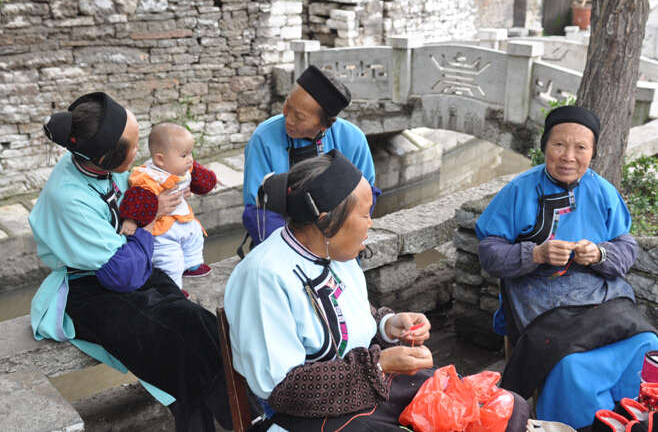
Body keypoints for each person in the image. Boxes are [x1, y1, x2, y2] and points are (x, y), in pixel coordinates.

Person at [225, 150, 531, 432]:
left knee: (502, 409)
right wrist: (380, 365)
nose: (371, 223)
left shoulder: (333, 252)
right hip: (311, 416)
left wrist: (387, 325)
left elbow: (344, 319)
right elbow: (283, 391)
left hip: (368, 387)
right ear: (326, 222)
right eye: (365, 214)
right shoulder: (264, 278)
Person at [30, 92, 234, 431]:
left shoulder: (94, 163)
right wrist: (151, 221)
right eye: (134, 146)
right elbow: (121, 276)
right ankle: (245, 417)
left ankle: (239, 414)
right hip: (91, 286)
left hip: (130, 261)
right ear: (107, 158)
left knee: (200, 325)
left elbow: (143, 191)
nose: (139, 153)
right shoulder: (69, 197)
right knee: (176, 335)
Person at [475, 105, 658, 430]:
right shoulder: (520, 190)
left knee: (648, 345)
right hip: (542, 300)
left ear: (593, 152)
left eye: (581, 148)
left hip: (604, 299)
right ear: (545, 145)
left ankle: (632, 419)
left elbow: (627, 248)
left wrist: (600, 254)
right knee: (569, 365)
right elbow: (489, 254)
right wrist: (536, 255)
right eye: (559, 144)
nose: (568, 156)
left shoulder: (603, 191)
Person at [241, 64, 379, 247]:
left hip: (338, 244)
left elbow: (366, 198)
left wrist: (335, 243)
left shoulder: (353, 139)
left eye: (300, 117)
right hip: (280, 245)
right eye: (288, 105)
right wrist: (295, 249)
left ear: (327, 124)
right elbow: (257, 209)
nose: (288, 120)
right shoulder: (264, 138)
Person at [119, 121, 216, 290]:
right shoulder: (149, 177)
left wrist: (210, 180)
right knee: (170, 261)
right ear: (160, 159)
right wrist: (130, 220)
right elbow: (136, 199)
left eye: (190, 153)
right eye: (184, 156)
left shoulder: (183, 169)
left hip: (184, 219)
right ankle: (173, 288)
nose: (190, 159)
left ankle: (192, 266)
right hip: (163, 230)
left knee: (195, 237)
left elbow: (201, 183)